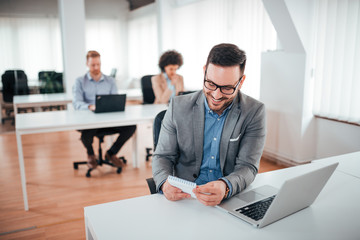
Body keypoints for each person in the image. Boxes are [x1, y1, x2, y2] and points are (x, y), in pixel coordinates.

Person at [152, 43, 266, 206]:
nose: (216, 95)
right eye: (211, 83)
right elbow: (163, 156)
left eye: (227, 88)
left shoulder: (254, 111)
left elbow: (248, 166)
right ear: (204, 71)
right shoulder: (178, 107)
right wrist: (164, 182)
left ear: (241, 82)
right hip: (185, 197)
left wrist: (226, 186)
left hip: (229, 197)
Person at [73, 50, 136, 169]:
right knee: (86, 132)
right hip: (89, 120)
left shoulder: (110, 81)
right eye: (93, 65)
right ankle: (91, 155)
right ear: (87, 64)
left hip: (108, 119)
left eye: (98, 64)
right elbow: (77, 103)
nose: (96, 67)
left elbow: (114, 99)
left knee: (131, 127)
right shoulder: (80, 81)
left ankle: (111, 153)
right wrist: (90, 106)